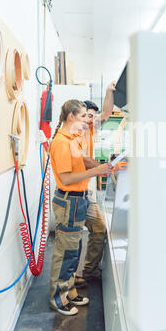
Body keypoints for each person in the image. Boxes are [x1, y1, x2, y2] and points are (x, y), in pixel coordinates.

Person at [49, 99, 111, 315]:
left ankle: (70, 290)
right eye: (83, 115)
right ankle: (58, 298)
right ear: (71, 117)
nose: (87, 119)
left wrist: (100, 167)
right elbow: (66, 178)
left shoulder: (73, 138)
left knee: (74, 250)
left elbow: (82, 162)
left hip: (79, 199)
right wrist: (97, 171)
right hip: (69, 200)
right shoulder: (62, 142)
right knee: (65, 252)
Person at [75, 82, 116, 285]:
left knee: (99, 229)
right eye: (88, 116)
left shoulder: (90, 131)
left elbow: (108, 112)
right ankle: (69, 283)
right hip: (72, 195)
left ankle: (88, 271)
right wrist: (103, 166)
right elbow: (82, 158)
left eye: (93, 116)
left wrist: (109, 91)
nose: (91, 120)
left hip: (85, 193)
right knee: (71, 242)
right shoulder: (75, 134)